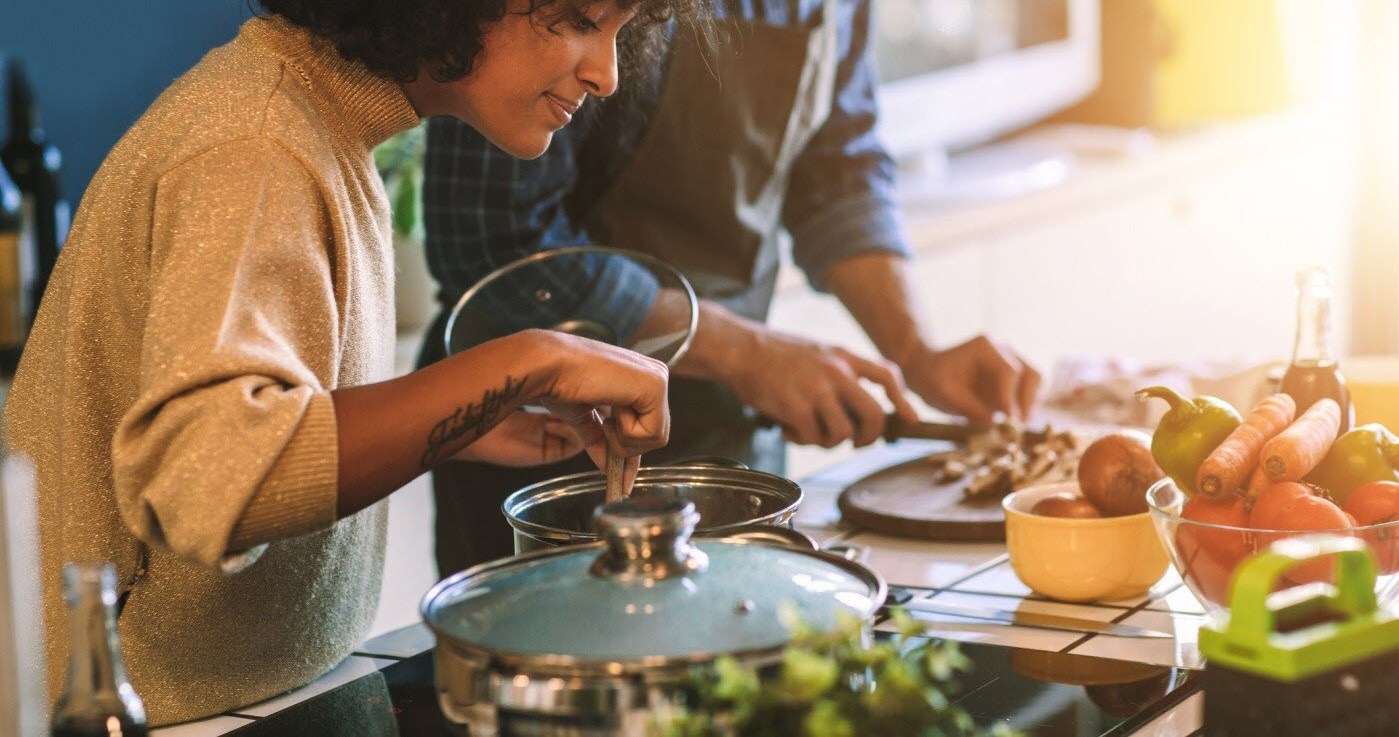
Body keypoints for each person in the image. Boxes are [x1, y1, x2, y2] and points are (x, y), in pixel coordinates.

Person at [2, 0, 698, 724]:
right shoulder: (255, 139)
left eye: (622, 33)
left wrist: (456, 420)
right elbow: (209, 477)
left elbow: (279, 400)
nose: (608, 74)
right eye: (581, 19)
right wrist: (529, 360)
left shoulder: (319, 121)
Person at [420, 0, 1044, 574]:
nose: (605, 72)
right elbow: (495, 238)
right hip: (552, 452)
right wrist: (745, 353)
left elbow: (839, 170)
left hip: (729, 439)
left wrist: (915, 351)